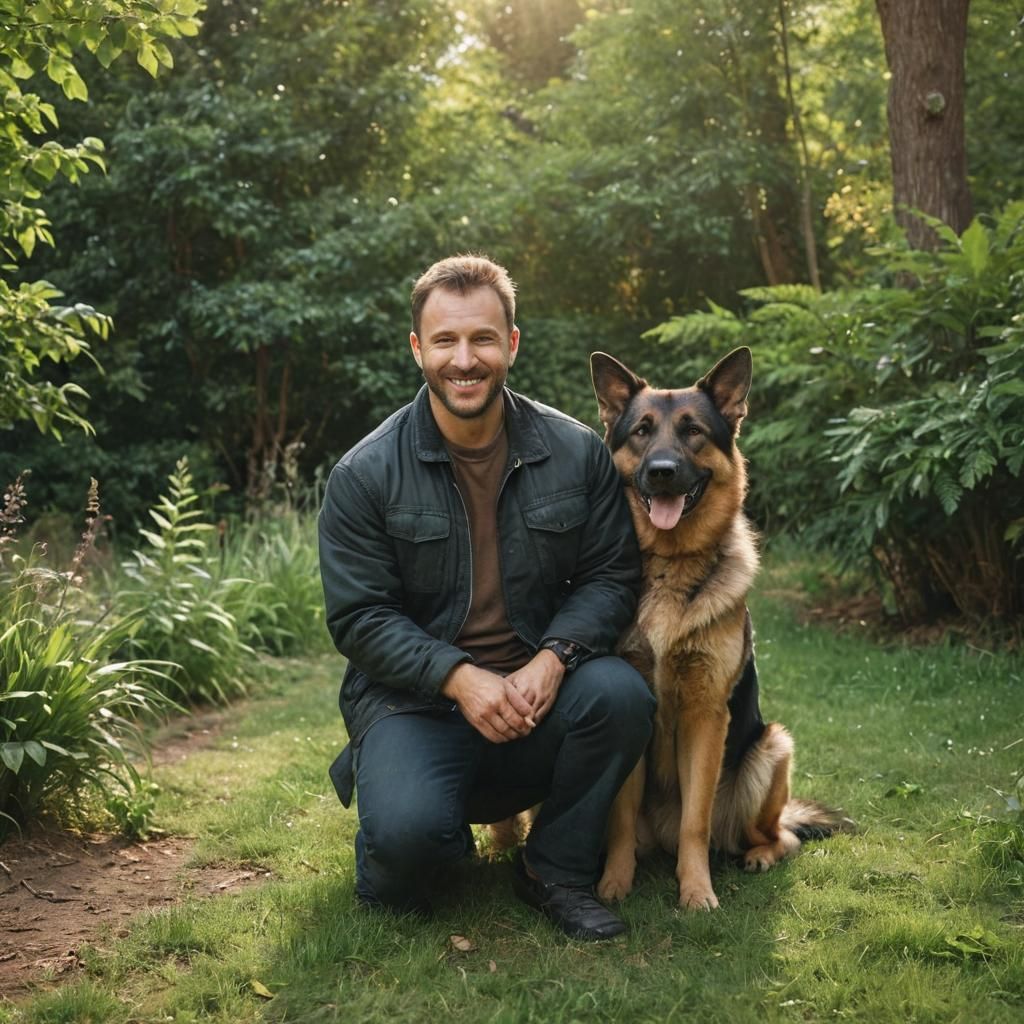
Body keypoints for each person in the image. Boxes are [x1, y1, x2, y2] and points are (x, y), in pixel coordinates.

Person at [318, 254, 654, 941]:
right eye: (444, 341)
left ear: (512, 344)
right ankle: (403, 825)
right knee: (412, 860)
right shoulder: (364, 473)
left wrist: (555, 657)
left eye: (482, 339)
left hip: (537, 698)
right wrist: (459, 677)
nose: (464, 360)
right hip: (415, 707)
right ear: (418, 349)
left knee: (622, 695)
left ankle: (553, 868)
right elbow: (361, 616)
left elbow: (610, 576)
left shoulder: (575, 451)